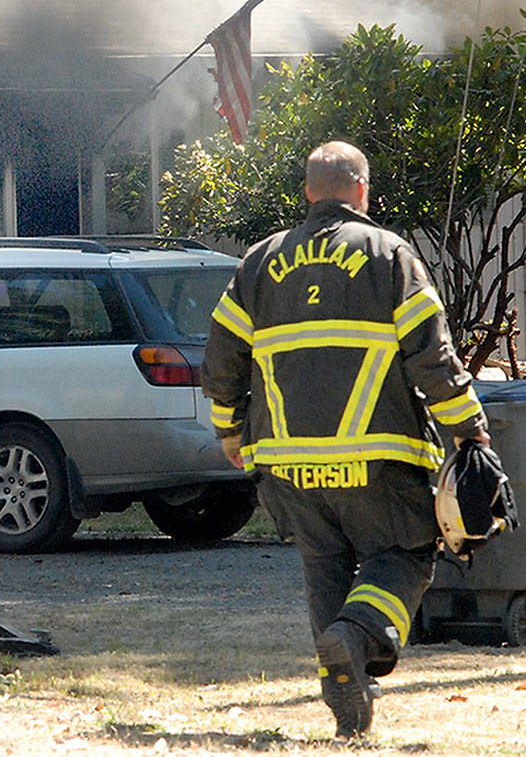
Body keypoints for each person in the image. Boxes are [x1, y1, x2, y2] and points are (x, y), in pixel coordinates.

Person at [201, 140, 489, 739]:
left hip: (284, 463)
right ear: (362, 191)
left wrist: (231, 432)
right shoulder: (389, 254)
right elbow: (431, 357)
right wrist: (469, 428)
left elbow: (222, 360)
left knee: (322, 564)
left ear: (308, 193)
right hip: (378, 454)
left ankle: (344, 687)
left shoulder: (258, 261)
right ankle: (355, 639)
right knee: (406, 554)